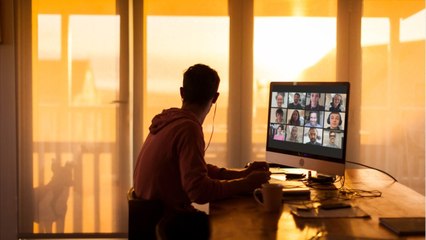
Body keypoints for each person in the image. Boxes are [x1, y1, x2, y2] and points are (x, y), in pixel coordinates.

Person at [133, 64, 271, 237]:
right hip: (167, 225)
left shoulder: (168, 122)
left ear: (182, 93)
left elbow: (195, 169)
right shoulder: (188, 128)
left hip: (151, 219)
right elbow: (199, 191)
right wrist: (246, 184)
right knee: (240, 226)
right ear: (215, 98)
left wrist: (244, 173)